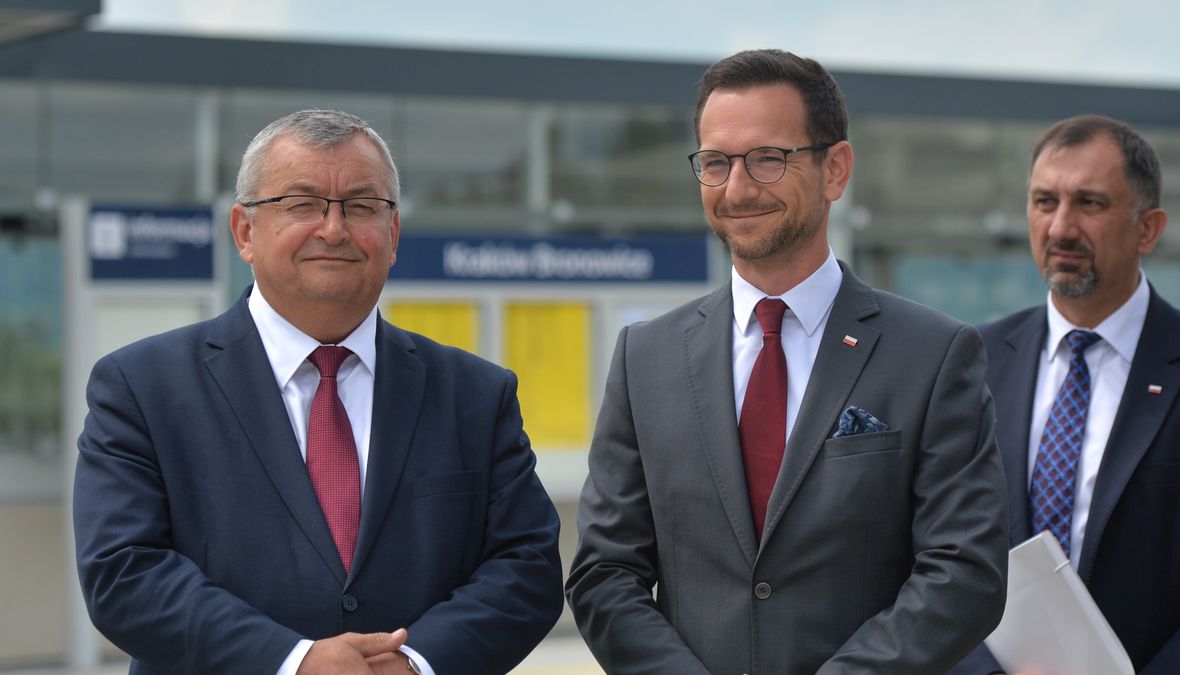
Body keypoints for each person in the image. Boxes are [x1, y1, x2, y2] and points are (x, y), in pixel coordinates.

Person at [73, 109, 563, 674]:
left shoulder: (476, 393)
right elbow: (124, 572)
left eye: (361, 206)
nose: (334, 229)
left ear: (393, 233)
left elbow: (526, 567)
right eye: (302, 204)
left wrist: (415, 663)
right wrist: (294, 663)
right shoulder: (142, 388)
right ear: (244, 231)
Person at [566, 49, 1009, 674]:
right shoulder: (647, 358)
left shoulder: (934, 355)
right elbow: (605, 574)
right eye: (716, 163)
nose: (738, 188)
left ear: (836, 169)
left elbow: (965, 573)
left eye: (769, 159)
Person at [953, 115, 1180, 674]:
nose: (1061, 227)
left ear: (1148, 228)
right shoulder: (970, 364)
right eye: (1044, 202)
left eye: (1089, 204)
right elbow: (932, 555)